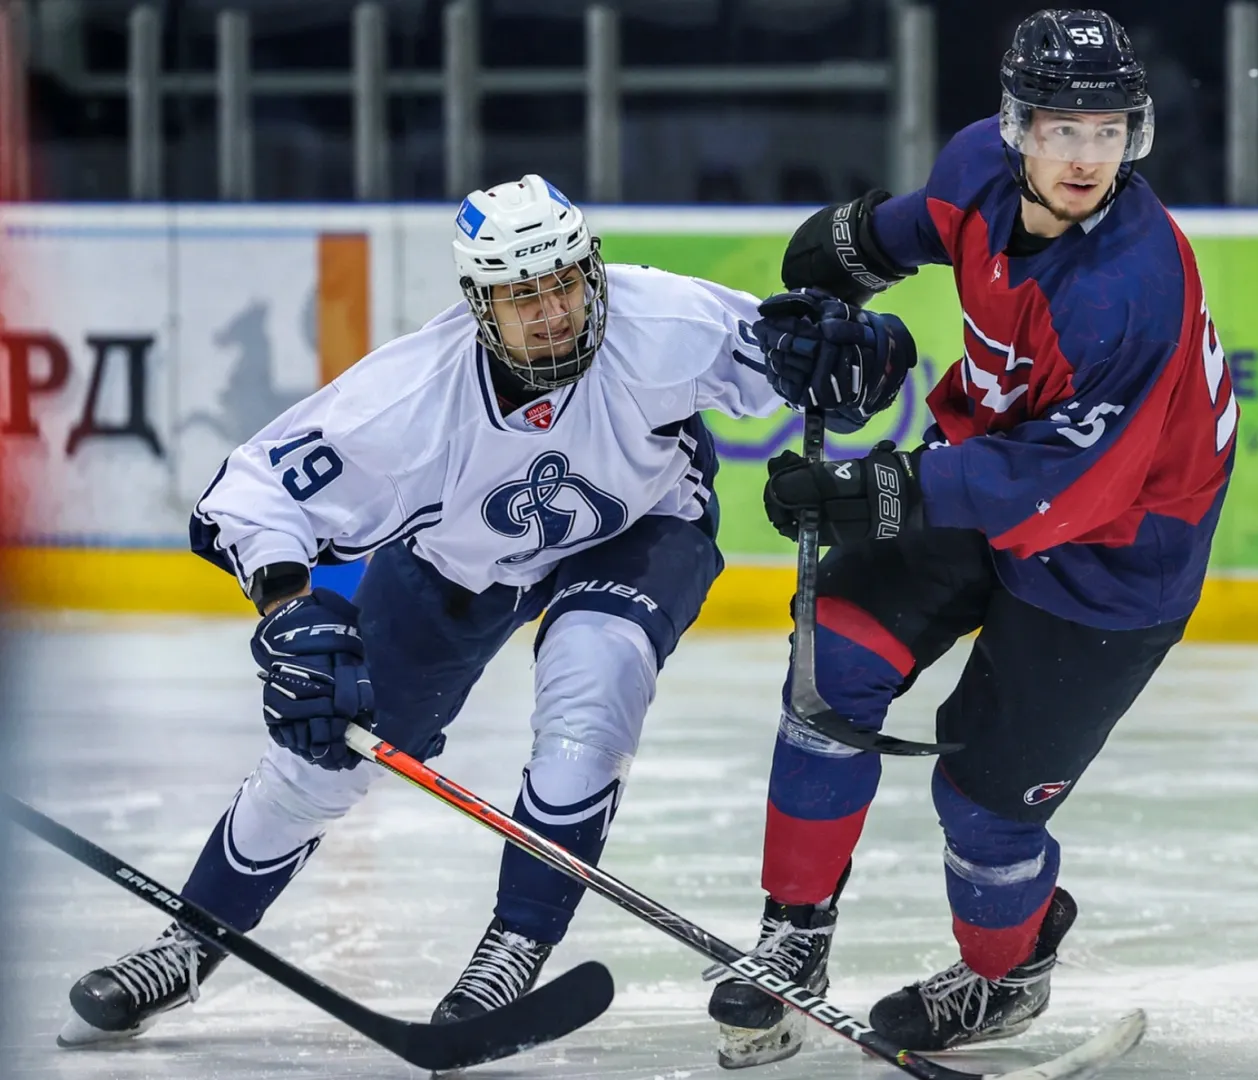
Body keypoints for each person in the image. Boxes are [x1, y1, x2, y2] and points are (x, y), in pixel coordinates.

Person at [55, 174, 913, 1046]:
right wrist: (287, 611)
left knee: (594, 683)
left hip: (642, 529)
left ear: (592, 272)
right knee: (317, 760)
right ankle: (188, 940)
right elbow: (250, 494)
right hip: (456, 567)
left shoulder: (662, 321)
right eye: (521, 295)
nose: (551, 311)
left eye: (564, 283)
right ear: (478, 304)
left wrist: (861, 358)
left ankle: (513, 949)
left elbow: (812, 358)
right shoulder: (410, 398)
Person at [705, 8, 1238, 1066]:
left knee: (983, 812)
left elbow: (1069, 488)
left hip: (1117, 557)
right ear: (1014, 129)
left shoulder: (1133, 286)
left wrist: (879, 493)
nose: (1088, 158)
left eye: (1109, 131)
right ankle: (793, 938)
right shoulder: (972, 172)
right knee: (831, 671)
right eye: (1060, 129)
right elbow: (908, 231)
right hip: (982, 480)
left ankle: (1009, 971)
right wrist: (842, 264)